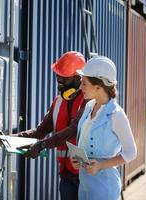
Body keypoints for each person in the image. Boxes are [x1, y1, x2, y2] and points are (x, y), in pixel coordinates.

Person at [16, 51, 88, 200]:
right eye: (57, 75)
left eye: (64, 77)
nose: (59, 79)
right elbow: (40, 131)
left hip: (87, 174)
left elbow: (73, 130)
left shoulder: (88, 101)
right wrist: (10, 138)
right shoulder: (58, 102)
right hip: (66, 176)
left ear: (77, 78)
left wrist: (42, 146)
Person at [73, 56, 137, 200]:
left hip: (104, 185)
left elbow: (131, 152)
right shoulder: (89, 106)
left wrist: (101, 165)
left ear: (98, 87)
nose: (80, 88)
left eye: (84, 84)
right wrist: (79, 160)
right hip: (85, 182)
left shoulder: (116, 115)